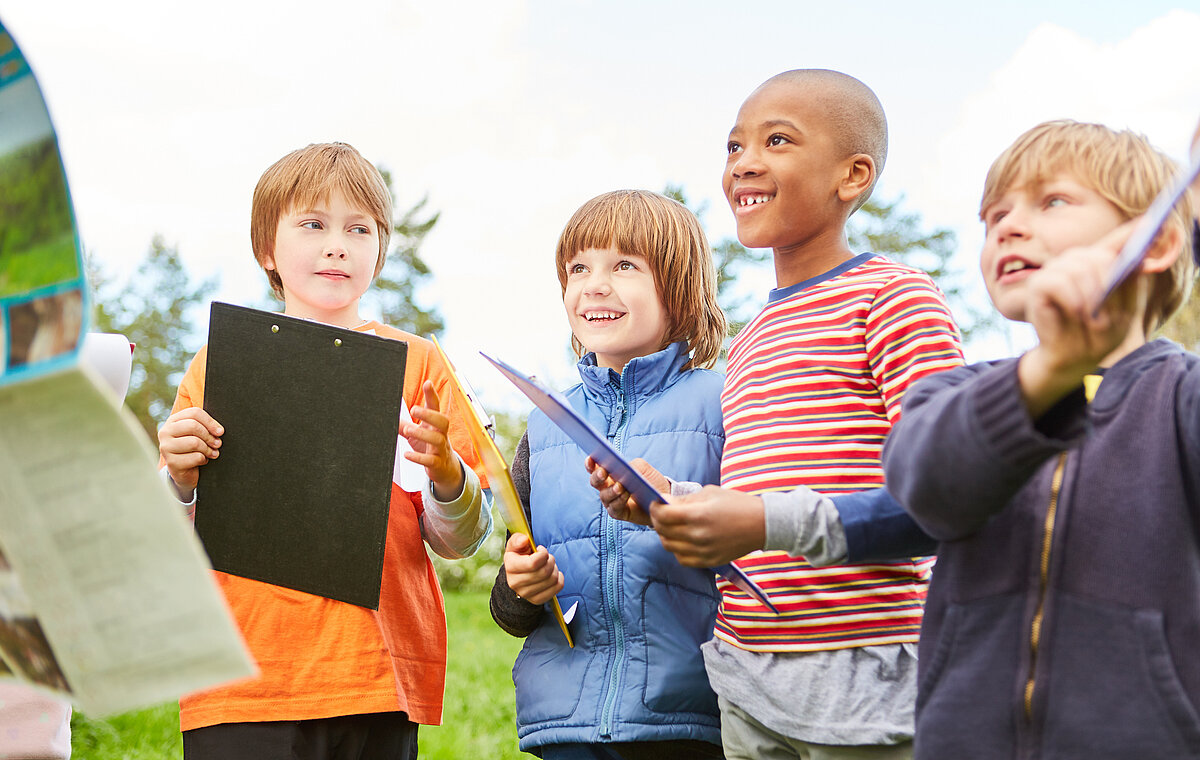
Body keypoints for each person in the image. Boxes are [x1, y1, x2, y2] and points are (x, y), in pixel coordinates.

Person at [591, 70, 963, 759]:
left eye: (777, 140)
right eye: (733, 147)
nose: (744, 163)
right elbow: (754, 498)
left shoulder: (895, 296)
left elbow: (943, 497)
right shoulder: (751, 336)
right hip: (751, 678)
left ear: (851, 176)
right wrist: (667, 502)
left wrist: (758, 519)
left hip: (866, 675)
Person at [157, 142, 491, 760]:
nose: (336, 244)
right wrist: (177, 477)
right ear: (268, 249)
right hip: (240, 679)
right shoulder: (223, 362)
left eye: (358, 228)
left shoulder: (419, 364)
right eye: (312, 224)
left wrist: (447, 473)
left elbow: (460, 538)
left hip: (374, 676)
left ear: (381, 250)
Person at [881, 120, 1199, 759]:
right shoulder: (953, 394)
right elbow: (927, 486)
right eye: (994, 215)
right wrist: (1047, 375)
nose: (1008, 226)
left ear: (1159, 241)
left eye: (1052, 201)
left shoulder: (1183, 396)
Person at [488, 189, 729, 759]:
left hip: (690, 723)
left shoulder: (724, 405)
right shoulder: (545, 427)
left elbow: (762, 552)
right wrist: (525, 587)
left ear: (679, 286)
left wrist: (670, 502)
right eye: (579, 268)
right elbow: (509, 607)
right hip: (567, 726)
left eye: (624, 265)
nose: (594, 284)